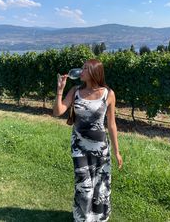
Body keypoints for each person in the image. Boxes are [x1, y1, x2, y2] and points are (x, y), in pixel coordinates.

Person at [53, 59, 123, 222]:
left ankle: (99, 218)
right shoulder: (75, 91)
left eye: (84, 68)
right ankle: (83, 218)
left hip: (100, 147)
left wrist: (116, 151)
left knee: (101, 185)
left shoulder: (108, 93)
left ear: (93, 72)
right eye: (82, 68)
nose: (80, 71)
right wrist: (59, 90)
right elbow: (58, 111)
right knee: (83, 186)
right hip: (79, 147)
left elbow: (111, 124)